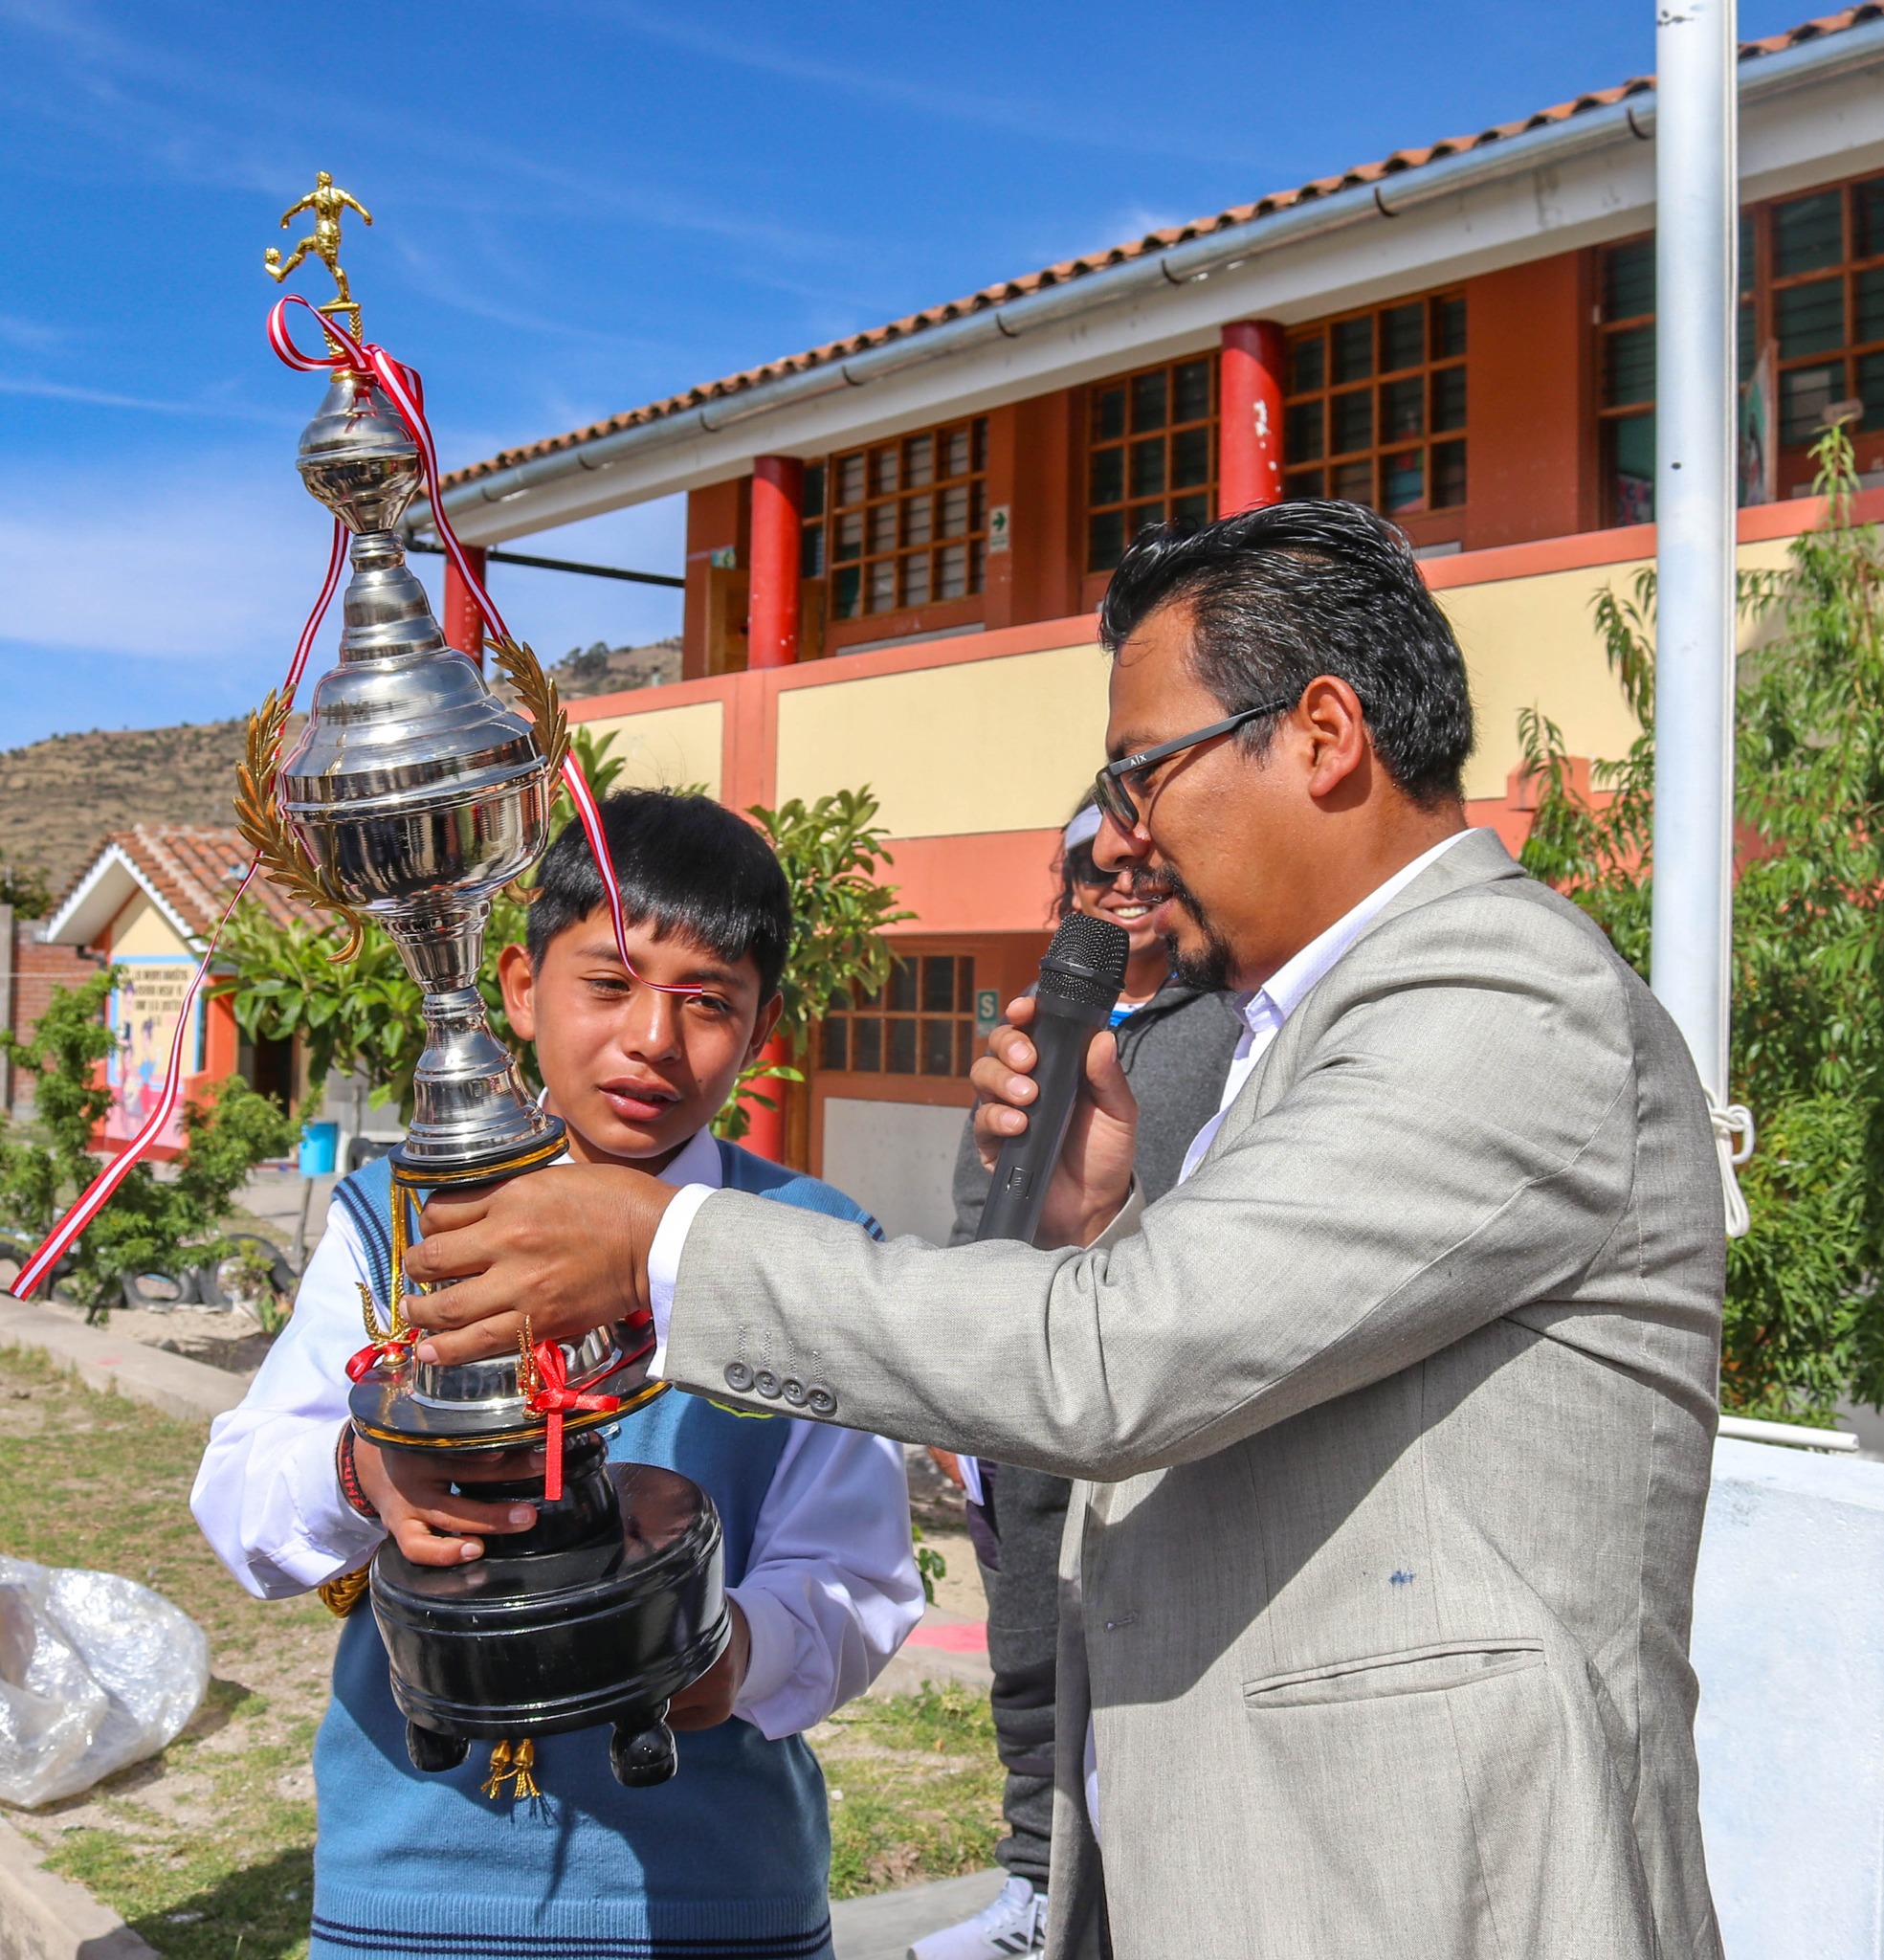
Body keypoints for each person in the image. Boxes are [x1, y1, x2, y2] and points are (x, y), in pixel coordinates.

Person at [400, 503, 1727, 1960]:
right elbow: (1153, 1381)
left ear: (1325, 734)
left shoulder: (1497, 1001)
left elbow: (1114, 1366)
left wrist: (666, 1245)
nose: (1121, 831)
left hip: (1432, 1888)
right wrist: (1089, 1217)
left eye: (1145, 769)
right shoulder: (1288, 1036)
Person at [191, 790, 923, 1960]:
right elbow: (237, 1501)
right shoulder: (399, 1216)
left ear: (763, 1026)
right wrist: (361, 1465)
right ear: (522, 989)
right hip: (412, 1883)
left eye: (708, 1004)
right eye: (610, 983)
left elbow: (858, 1576)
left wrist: (731, 1650)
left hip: (711, 1892)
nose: (651, 1038)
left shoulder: (811, 1247)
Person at [920, 796, 1240, 1960]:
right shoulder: (1041, 1019)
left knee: (1136, 1667)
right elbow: (983, 1201)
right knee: (1028, 1651)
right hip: (1014, 1394)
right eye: (1093, 864)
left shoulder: (1223, 1025)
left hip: (1141, 1401)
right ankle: (1034, 1883)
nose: (1121, 878)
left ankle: (1122, 1898)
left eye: (1148, 861)